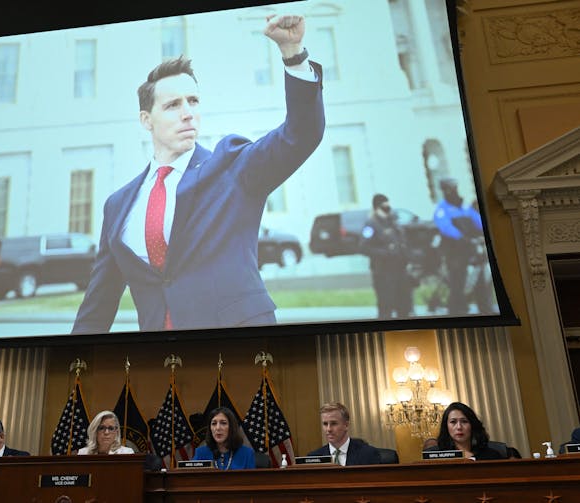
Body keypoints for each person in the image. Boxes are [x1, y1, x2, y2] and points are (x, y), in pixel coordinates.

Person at [71, 13, 325, 334]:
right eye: (173, 105)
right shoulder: (118, 205)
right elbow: (99, 304)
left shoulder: (232, 167)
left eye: (193, 101)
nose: (188, 113)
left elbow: (299, 135)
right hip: (161, 365)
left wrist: (294, 55)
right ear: (146, 120)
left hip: (238, 351)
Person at [433, 177, 489, 315]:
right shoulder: (442, 209)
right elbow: (445, 227)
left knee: (480, 281)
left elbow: (478, 221)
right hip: (455, 252)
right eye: (450, 188)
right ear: (445, 190)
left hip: (471, 250)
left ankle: (485, 310)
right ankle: (457, 311)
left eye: (455, 187)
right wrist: (462, 237)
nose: (454, 191)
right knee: (457, 283)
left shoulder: (464, 206)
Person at [359, 193, 413, 318]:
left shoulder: (393, 223)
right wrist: (385, 253)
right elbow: (363, 247)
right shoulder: (371, 225)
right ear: (377, 208)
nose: (388, 210)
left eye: (389, 207)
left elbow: (402, 243)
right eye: (384, 208)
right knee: (386, 306)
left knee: (404, 304)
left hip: (400, 269)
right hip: (383, 271)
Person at [306, 402, 382, 466]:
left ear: (346, 425)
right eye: (325, 424)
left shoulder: (368, 454)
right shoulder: (313, 457)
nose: (328, 429)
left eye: (334, 423)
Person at [432, 402, 504, 460]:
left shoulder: (492, 456)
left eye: (464, 421)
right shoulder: (435, 456)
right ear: (446, 426)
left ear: (472, 425)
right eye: (453, 422)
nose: (459, 427)